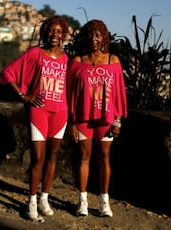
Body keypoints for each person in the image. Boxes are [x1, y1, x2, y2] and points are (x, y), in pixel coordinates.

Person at [0, 15, 70, 221]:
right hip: (38, 111)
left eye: (59, 31)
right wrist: (24, 96)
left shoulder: (67, 59)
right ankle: (31, 201)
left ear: (63, 35)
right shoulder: (34, 53)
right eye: (51, 30)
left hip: (61, 112)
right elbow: (7, 73)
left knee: (53, 157)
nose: (54, 34)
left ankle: (44, 198)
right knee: (38, 158)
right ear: (45, 32)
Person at [66, 19, 128, 217]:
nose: (94, 39)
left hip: (106, 117)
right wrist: (72, 122)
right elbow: (70, 94)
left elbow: (118, 92)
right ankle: (82, 201)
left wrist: (117, 120)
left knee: (104, 157)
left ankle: (104, 202)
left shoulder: (113, 61)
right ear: (86, 37)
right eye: (91, 35)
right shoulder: (77, 62)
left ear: (104, 38)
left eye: (98, 35)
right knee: (84, 156)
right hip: (83, 117)